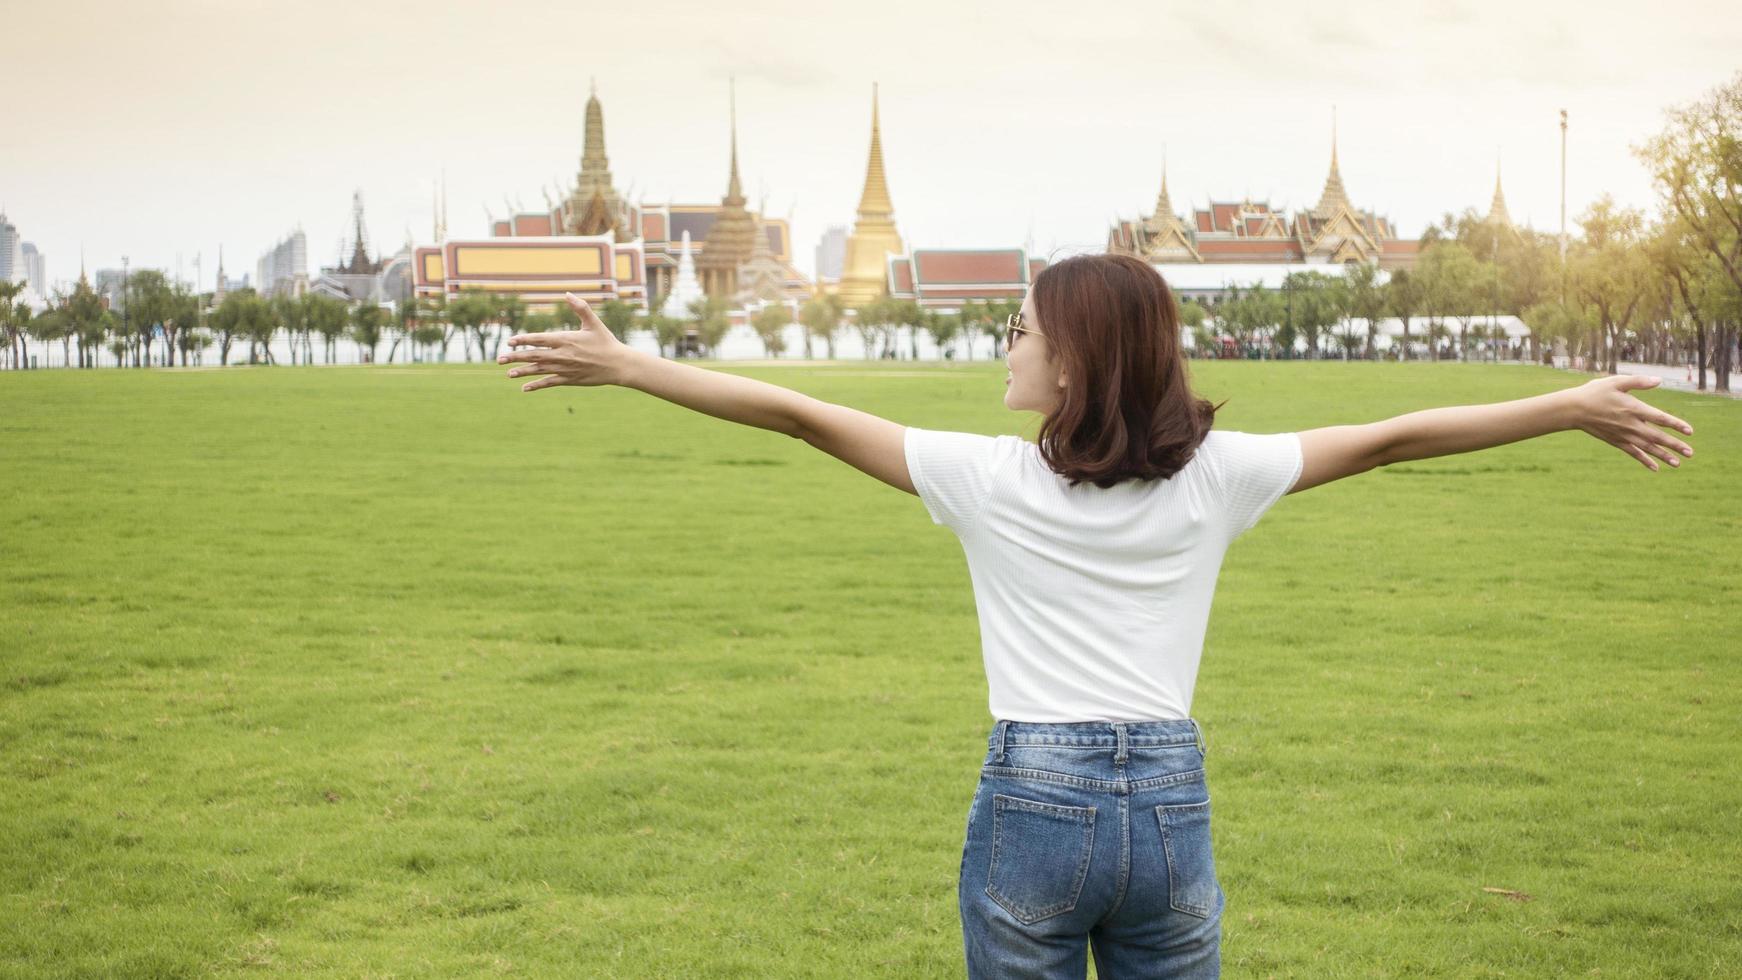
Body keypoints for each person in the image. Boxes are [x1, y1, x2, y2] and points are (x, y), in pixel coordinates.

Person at [497, 254, 1694, 979]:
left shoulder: (984, 476)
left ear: (1070, 364)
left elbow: (799, 416)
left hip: (1034, 796)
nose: (1003, 344)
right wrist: (1566, 403)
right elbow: (1389, 441)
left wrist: (633, 367)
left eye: (1018, 328)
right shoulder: (1217, 473)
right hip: (1169, 805)